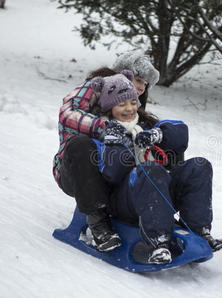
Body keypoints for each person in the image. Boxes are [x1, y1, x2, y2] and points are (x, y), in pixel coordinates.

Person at [87, 70, 222, 264]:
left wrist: (158, 135)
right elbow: (111, 174)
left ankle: (200, 232)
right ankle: (158, 242)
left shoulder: (144, 125)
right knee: (150, 169)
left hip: (157, 189)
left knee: (199, 166)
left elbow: (181, 133)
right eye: (121, 104)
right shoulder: (101, 134)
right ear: (108, 108)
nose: (129, 109)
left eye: (132, 102)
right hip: (123, 200)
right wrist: (117, 142)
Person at [52, 53, 160, 252]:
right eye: (138, 80)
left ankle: (158, 221)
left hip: (111, 176)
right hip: (74, 170)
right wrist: (106, 127)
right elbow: (67, 113)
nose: (143, 87)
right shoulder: (96, 86)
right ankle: (99, 226)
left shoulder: (131, 108)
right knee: (81, 144)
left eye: (145, 83)